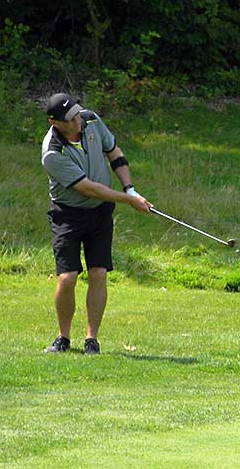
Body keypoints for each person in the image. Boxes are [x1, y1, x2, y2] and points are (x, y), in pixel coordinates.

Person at [41, 93, 152, 354]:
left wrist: (131, 188)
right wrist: (128, 200)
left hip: (100, 214)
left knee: (99, 273)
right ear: (54, 121)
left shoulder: (91, 121)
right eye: (71, 118)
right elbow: (88, 188)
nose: (78, 119)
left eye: (77, 113)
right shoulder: (52, 152)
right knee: (67, 278)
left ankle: (92, 340)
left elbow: (114, 152)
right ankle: (63, 338)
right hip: (67, 214)